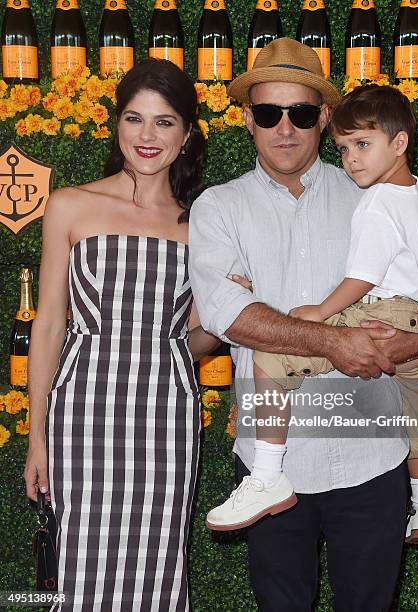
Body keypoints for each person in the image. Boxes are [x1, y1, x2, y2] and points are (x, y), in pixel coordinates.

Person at [189, 39, 418, 611]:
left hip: (375, 454)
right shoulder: (219, 207)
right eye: (268, 113)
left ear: (325, 117)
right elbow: (226, 313)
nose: (285, 128)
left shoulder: (375, 191)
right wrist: (333, 340)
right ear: (247, 119)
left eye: (302, 113)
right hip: (275, 462)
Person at [23, 59, 219, 611]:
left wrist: (224, 313)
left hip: (166, 416)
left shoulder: (202, 225)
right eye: (135, 119)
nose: (147, 136)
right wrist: (37, 436)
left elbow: (196, 336)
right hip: (82, 413)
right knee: (80, 563)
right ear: (116, 126)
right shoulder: (69, 205)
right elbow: (50, 324)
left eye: (164, 122)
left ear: (187, 135)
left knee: (159, 563)